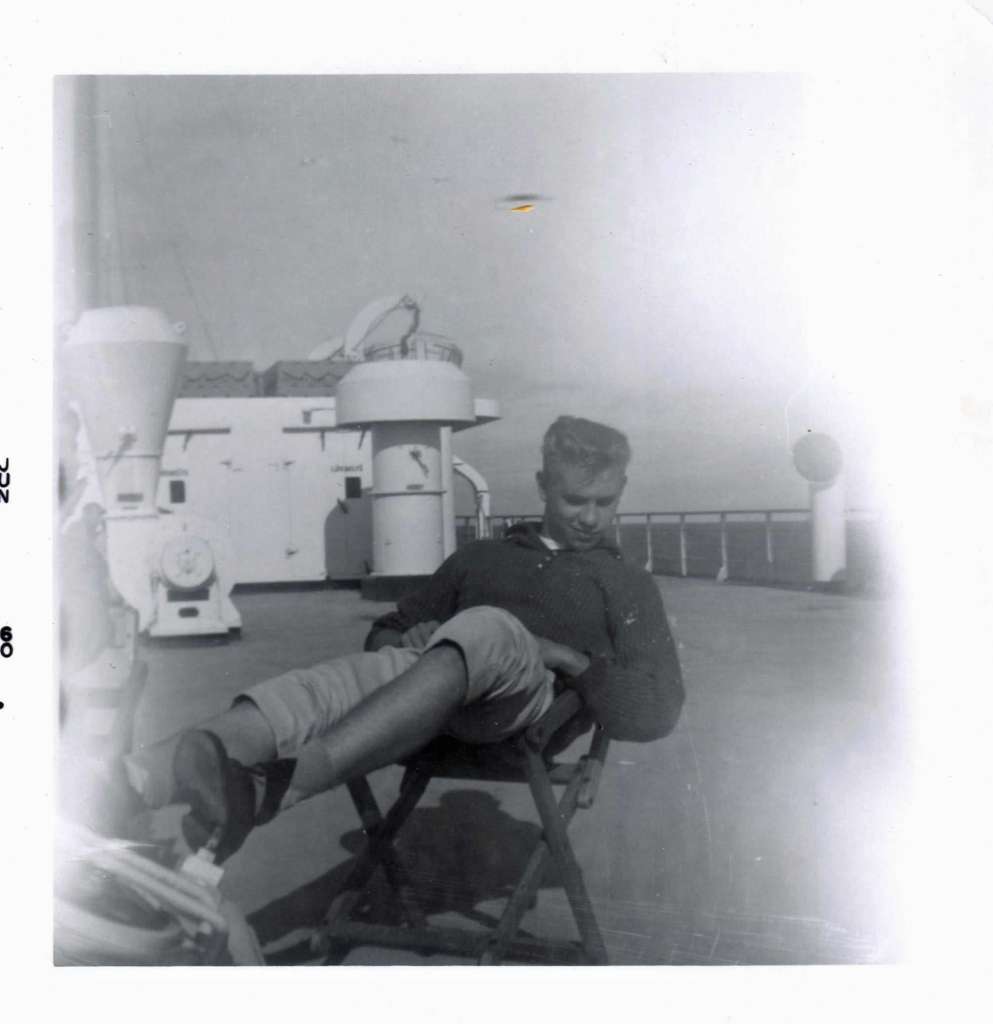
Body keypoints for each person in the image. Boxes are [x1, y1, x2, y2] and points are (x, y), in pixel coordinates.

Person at [155, 415, 684, 862]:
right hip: (434, 693)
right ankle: (144, 778)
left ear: (621, 491)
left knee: (485, 627)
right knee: (322, 686)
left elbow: (659, 707)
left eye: (604, 502)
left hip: (524, 712)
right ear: (543, 485)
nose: (590, 518)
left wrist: (568, 658)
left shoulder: (626, 584)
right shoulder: (481, 558)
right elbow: (386, 630)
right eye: (574, 500)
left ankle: (280, 786)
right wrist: (409, 632)